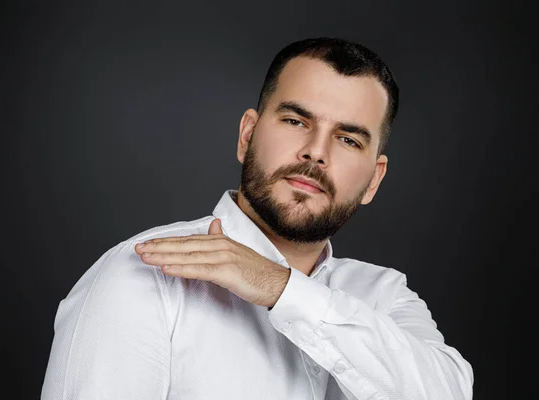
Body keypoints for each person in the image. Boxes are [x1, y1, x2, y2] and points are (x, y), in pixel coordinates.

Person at [41, 37, 473, 400]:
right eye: (295, 120)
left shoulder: (384, 296)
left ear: (374, 180)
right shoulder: (144, 276)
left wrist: (280, 288)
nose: (316, 152)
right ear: (247, 136)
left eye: (347, 139)